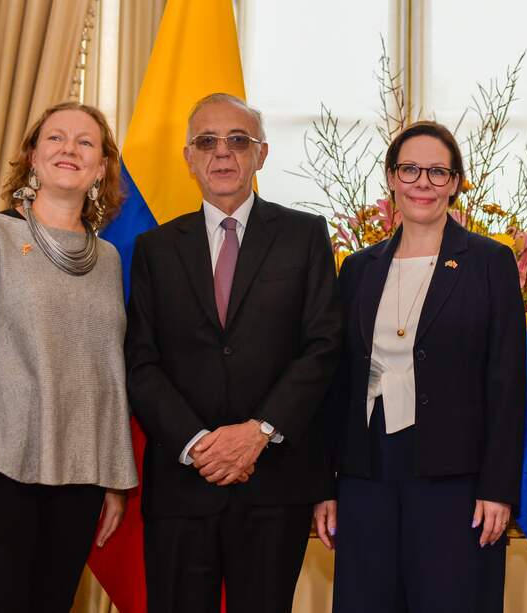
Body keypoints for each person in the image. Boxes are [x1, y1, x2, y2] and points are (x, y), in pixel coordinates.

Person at [124, 93, 341, 613]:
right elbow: (141, 361)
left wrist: (258, 432)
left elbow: (323, 347)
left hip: (274, 482)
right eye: (207, 141)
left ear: (261, 154)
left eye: (238, 140)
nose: (222, 153)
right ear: (189, 158)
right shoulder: (154, 249)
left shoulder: (305, 235)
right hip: (182, 482)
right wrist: (199, 443)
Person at [313, 120, 526, 613]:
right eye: (409, 169)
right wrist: (326, 486)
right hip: (367, 475)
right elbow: (337, 384)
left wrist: (498, 489)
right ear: (391, 177)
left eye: (437, 172)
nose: (422, 183)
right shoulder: (358, 268)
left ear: (455, 183)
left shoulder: (489, 262)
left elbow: (507, 381)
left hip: (455, 480)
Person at [0, 102, 137, 613]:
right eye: (55, 138)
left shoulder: (108, 259)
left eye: (85, 142)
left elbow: (110, 372)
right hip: (0, 464)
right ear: (33, 156)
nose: (69, 149)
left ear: (101, 168)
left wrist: (115, 478)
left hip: (81, 476)